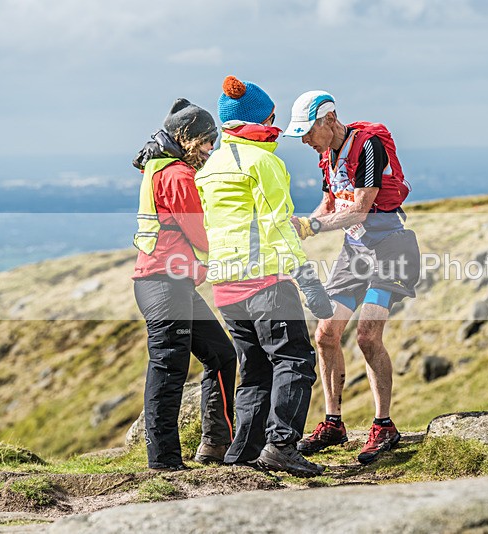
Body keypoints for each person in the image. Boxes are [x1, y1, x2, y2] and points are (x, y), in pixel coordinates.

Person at [195, 76, 333, 477]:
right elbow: (277, 228)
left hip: (225, 287)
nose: (275, 124)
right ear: (259, 120)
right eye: (272, 116)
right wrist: (308, 280)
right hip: (267, 284)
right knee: (295, 360)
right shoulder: (264, 163)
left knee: (254, 369)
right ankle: (281, 445)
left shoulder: (209, 167)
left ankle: (244, 453)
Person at [284, 90, 421, 464]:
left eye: (309, 132)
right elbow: (330, 205)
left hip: (391, 250)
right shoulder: (328, 156)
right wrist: (297, 224)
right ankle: (333, 423)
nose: (306, 141)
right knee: (326, 333)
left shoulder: (370, 146)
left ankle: (384, 425)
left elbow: (360, 210)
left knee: (366, 335)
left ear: (329, 120)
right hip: (354, 253)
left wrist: (311, 226)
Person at [132, 98, 237, 471]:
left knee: (222, 355)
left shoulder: (162, 167)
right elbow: (202, 234)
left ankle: (216, 443)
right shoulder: (176, 175)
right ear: (188, 137)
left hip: (169, 284)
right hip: (165, 285)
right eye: (208, 142)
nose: (211, 150)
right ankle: (164, 462)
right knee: (168, 369)